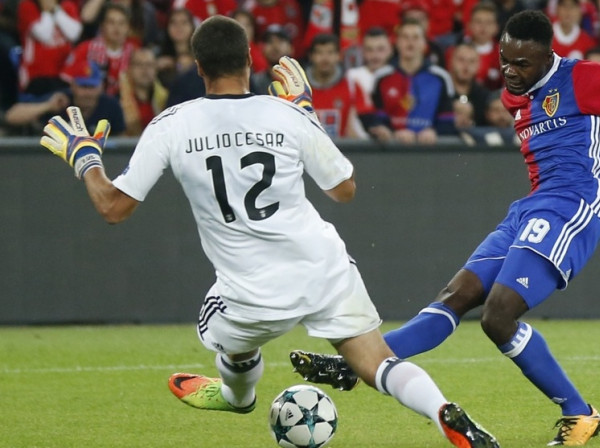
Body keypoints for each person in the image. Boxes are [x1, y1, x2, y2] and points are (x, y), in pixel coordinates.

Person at [289, 9, 600, 447]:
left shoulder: (585, 77)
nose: (511, 71)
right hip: (533, 208)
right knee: (456, 296)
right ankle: (362, 364)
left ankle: (581, 414)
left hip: (570, 207)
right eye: (505, 60)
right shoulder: (514, 94)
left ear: (546, 55)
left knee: (498, 316)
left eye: (522, 63)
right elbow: (578, 147)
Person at [36, 15, 500, 448]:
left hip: (249, 292)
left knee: (225, 339)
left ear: (198, 68)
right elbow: (344, 190)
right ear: (251, 61)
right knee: (376, 361)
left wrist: (85, 158)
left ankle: (238, 396)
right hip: (323, 267)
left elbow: (114, 208)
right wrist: (304, 109)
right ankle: (440, 409)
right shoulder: (286, 114)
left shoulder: (171, 125)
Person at [365, 18, 456, 143]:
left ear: (424, 43)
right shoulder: (382, 77)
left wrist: (434, 131)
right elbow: (377, 118)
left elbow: (447, 120)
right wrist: (391, 132)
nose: (410, 42)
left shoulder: (441, 77)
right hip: (392, 151)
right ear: (396, 42)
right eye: (405, 37)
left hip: (430, 150)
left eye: (415, 37)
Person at [5, 58, 125, 134]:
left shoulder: (111, 106)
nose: (87, 93)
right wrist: (47, 106)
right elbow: (11, 117)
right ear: (72, 86)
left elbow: (121, 142)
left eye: (92, 87)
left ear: (101, 87)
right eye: (83, 87)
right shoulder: (60, 100)